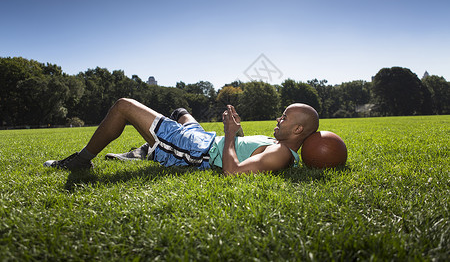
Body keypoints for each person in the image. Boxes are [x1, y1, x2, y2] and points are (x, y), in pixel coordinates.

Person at [44, 98, 319, 175]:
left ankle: (82, 160)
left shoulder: (282, 154)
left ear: (297, 130)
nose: (278, 119)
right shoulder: (278, 144)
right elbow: (243, 148)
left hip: (196, 149)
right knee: (180, 111)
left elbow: (233, 171)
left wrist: (229, 133)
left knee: (123, 106)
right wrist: (236, 129)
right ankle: (147, 149)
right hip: (204, 138)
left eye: (284, 117)